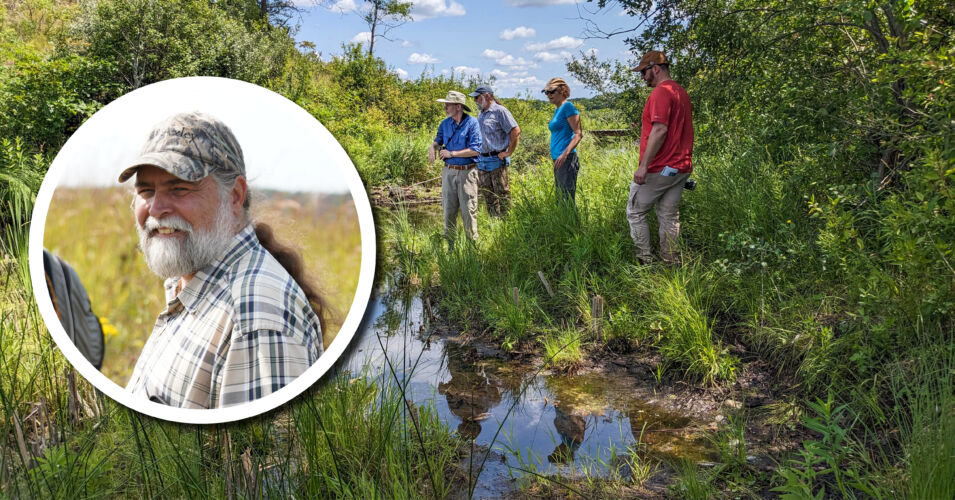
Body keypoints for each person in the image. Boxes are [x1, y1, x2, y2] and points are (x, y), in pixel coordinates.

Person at [120, 111, 326, 409]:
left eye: (179, 188)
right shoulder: (192, 281)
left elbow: (264, 455)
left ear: (235, 196)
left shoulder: (255, 319)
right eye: (146, 191)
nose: (157, 208)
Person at [627, 50, 694, 265]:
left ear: (655, 68)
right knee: (669, 215)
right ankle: (671, 260)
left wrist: (643, 166)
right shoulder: (680, 92)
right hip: (680, 167)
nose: (642, 78)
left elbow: (660, 130)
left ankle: (644, 260)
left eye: (644, 72)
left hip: (659, 168)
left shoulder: (661, 93)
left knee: (635, 212)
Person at [428, 90, 482, 243]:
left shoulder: (472, 124)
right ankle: (450, 247)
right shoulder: (445, 124)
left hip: (467, 173)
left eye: (448, 105)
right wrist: (433, 147)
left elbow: (475, 149)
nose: (445, 108)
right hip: (448, 172)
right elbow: (438, 140)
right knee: (448, 210)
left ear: (458, 107)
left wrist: (451, 154)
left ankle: (472, 248)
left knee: (468, 211)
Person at [469, 85, 520, 217]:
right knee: (488, 194)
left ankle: (507, 223)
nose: (475, 101)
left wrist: (509, 152)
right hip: (483, 160)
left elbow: (515, 130)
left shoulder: (500, 111)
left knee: (502, 193)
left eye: (477, 97)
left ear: (488, 96)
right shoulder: (481, 113)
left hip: (497, 159)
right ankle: (494, 222)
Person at [542, 78, 583, 205]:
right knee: (560, 197)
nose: (549, 95)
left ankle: (574, 224)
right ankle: (564, 223)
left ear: (562, 91)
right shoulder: (557, 110)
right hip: (558, 158)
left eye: (552, 91)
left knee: (566, 199)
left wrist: (565, 154)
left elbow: (578, 134)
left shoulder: (568, 107)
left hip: (566, 158)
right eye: (546, 92)